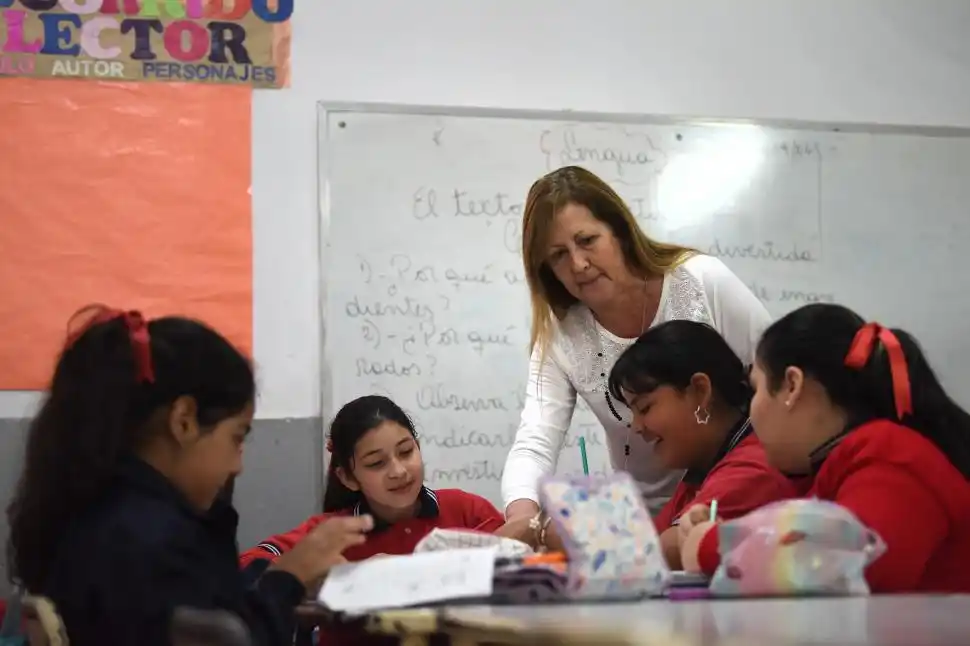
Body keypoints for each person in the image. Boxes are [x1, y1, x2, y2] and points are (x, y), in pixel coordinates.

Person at [5, 305, 370, 646]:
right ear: (184, 421)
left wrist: (283, 585)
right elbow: (231, 636)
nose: (237, 466)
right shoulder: (147, 538)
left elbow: (208, 605)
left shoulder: (101, 512)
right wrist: (286, 580)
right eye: (236, 437)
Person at [502, 165, 772, 528]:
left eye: (586, 241)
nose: (579, 264)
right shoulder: (561, 334)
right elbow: (535, 440)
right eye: (558, 255)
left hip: (732, 495)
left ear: (620, 231)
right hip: (638, 524)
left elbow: (775, 376)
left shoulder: (702, 280)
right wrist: (524, 520)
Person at [680, 304, 970, 593]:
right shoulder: (839, 468)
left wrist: (714, 544)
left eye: (756, 389)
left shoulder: (893, 459)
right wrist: (733, 532)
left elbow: (841, 564)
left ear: (792, 385)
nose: (751, 411)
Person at [607, 320, 802, 568]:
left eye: (645, 407)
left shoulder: (754, 466)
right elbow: (651, 538)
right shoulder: (702, 468)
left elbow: (662, 550)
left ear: (700, 391)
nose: (636, 426)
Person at [240, 395, 506, 568]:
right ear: (348, 477)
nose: (399, 471)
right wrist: (347, 572)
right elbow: (250, 563)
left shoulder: (464, 510)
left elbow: (518, 555)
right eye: (376, 463)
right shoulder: (335, 531)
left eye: (406, 452)